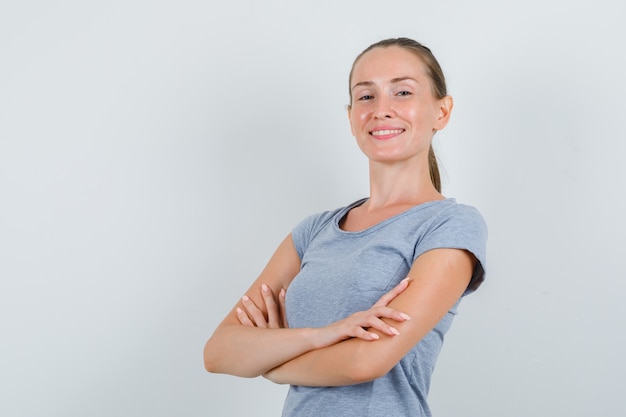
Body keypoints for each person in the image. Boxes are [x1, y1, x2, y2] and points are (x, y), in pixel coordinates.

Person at [203, 37, 487, 417]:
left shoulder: (450, 225)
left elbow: (366, 363)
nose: (382, 110)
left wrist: (269, 362)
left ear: (442, 111)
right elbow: (219, 351)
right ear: (351, 116)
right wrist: (321, 335)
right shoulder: (313, 231)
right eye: (366, 97)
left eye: (402, 92)